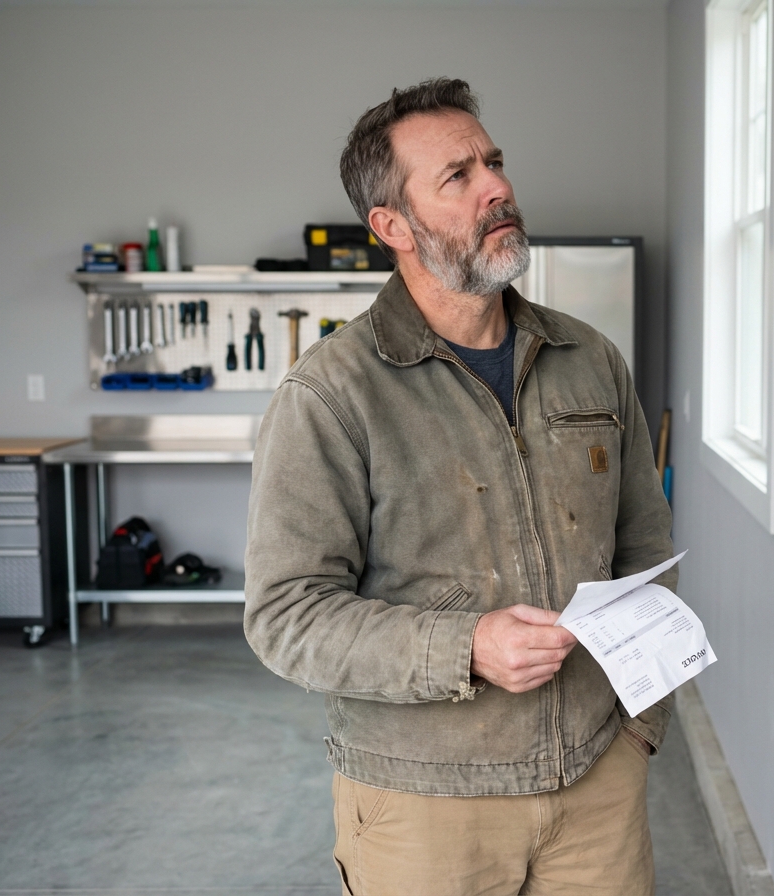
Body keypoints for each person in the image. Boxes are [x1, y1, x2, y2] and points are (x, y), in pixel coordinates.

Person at [244, 78, 676, 896]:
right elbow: (286, 616)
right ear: (391, 226)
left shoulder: (590, 359)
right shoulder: (332, 395)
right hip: (425, 806)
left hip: (597, 787)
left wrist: (640, 729)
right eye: (458, 176)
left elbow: (643, 545)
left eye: (494, 161)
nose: (497, 186)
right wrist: (467, 646)